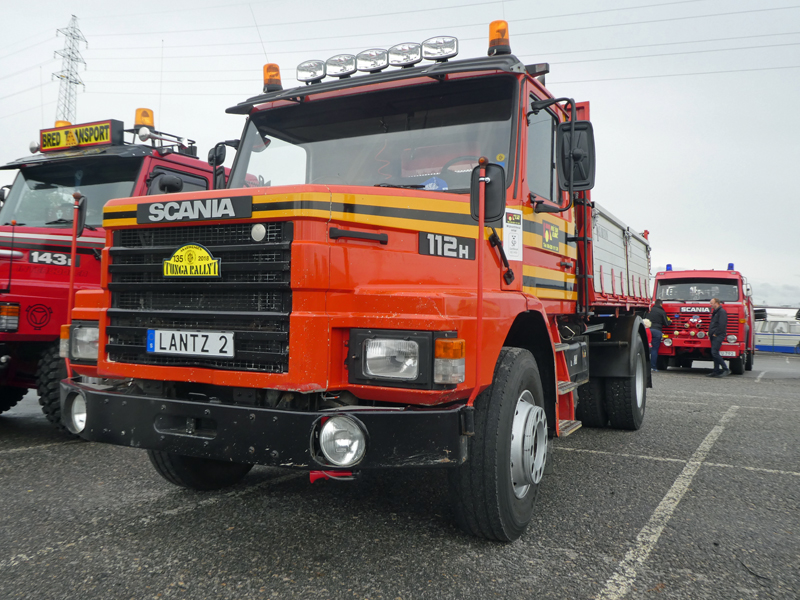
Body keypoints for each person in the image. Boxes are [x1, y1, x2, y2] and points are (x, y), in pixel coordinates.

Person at [645, 299, 671, 371]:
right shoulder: (662, 312)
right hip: (657, 331)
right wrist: (670, 321)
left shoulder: (649, 310)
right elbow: (666, 324)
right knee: (654, 350)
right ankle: (653, 367)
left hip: (648, 330)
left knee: (646, 348)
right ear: (661, 304)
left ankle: (645, 367)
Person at [707, 297, 730, 377]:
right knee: (714, 353)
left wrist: (716, 333)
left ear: (716, 303)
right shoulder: (716, 312)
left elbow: (722, 324)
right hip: (714, 335)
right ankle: (716, 371)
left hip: (718, 335)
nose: (710, 305)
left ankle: (726, 369)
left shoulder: (721, 312)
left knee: (714, 352)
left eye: (711, 303)